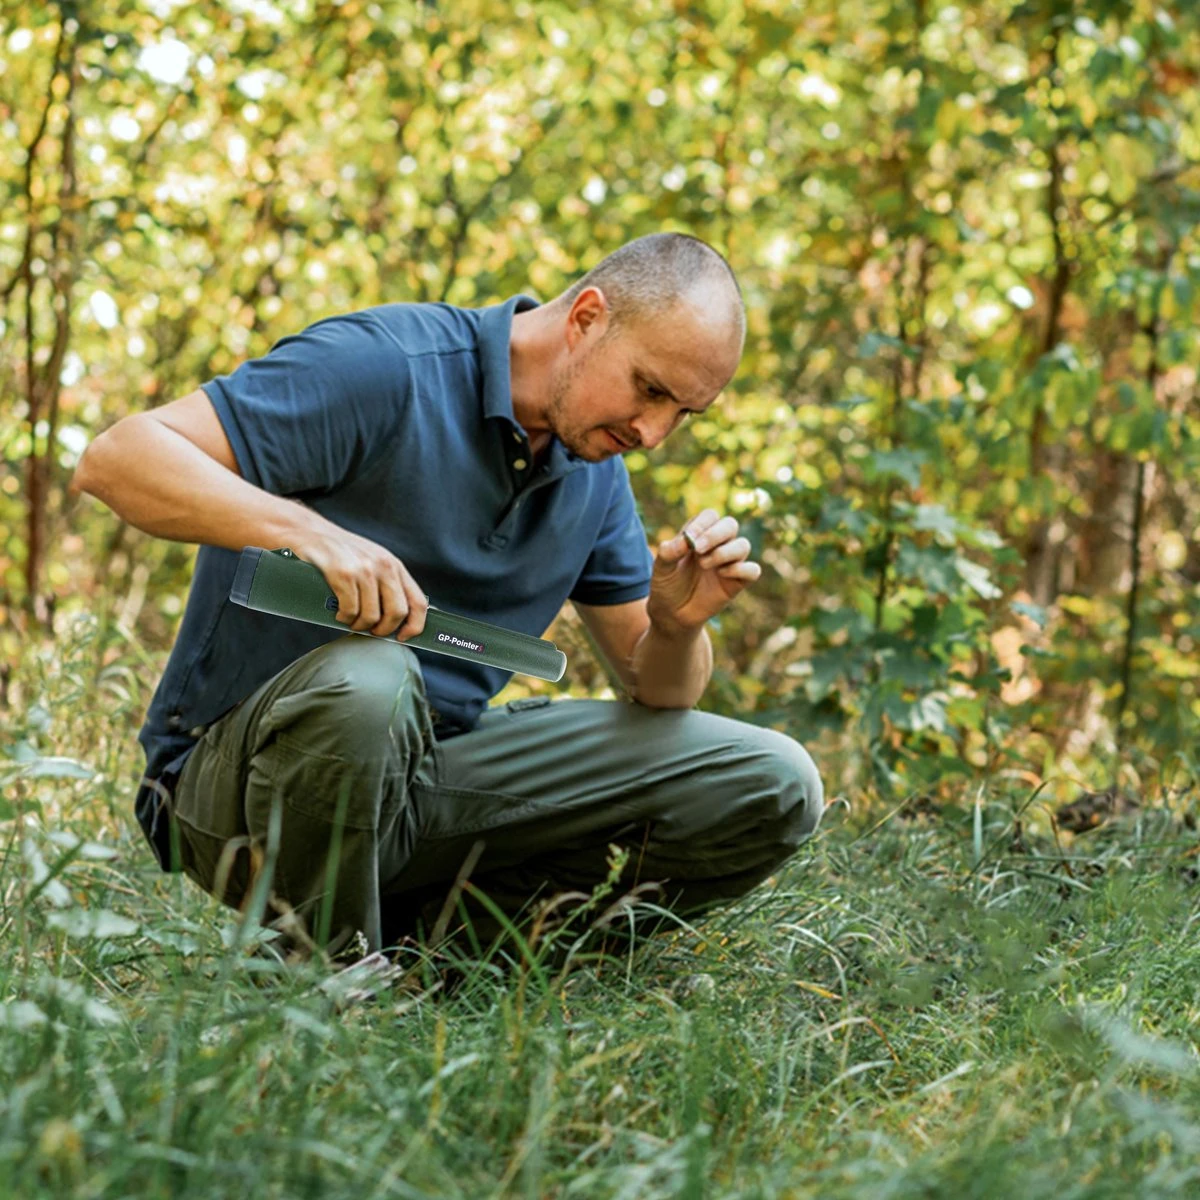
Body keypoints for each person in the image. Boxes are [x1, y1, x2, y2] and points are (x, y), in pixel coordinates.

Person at [71, 232, 824, 958]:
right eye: (650, 389)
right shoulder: (387, 366)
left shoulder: (594, 474)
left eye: (682, 413)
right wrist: (306, 533)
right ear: (587, 318)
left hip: (426, 778)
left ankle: (448, 960)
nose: (655, 431)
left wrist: (678, 627)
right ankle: (320, 980)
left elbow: (655, 688)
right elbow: (117, 460)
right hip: (233, 791)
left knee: (773, 779)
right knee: (373, 679)